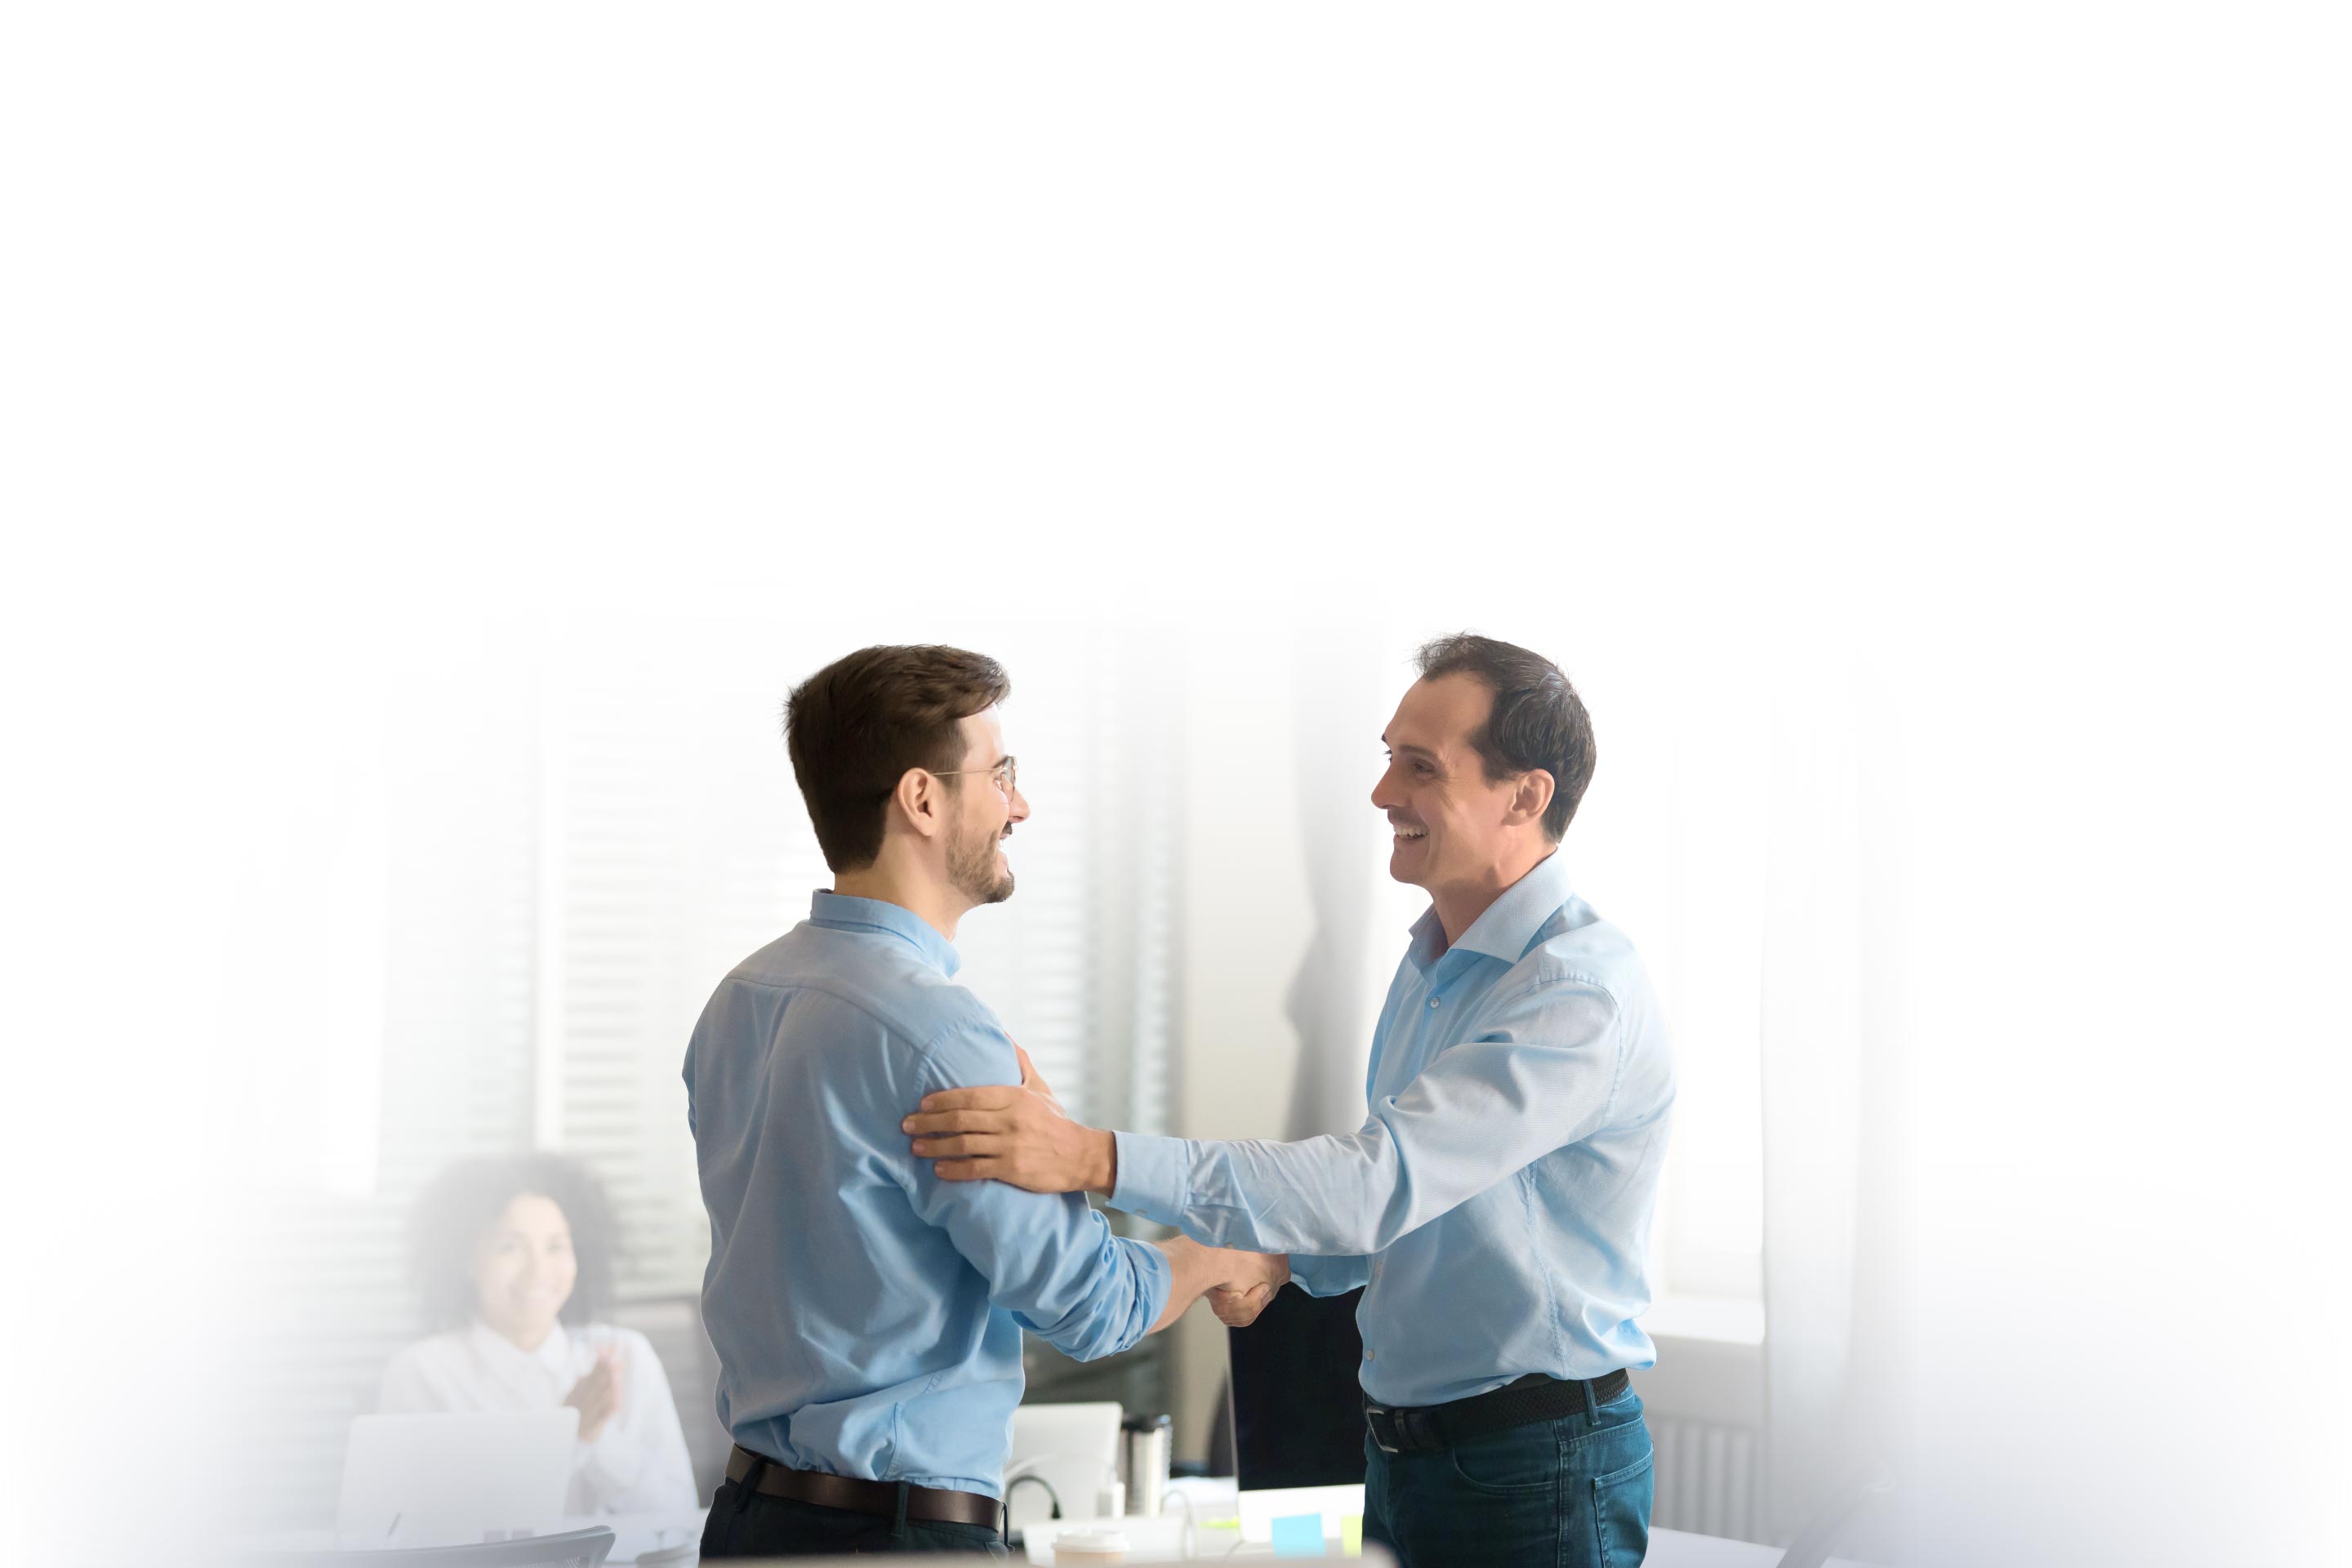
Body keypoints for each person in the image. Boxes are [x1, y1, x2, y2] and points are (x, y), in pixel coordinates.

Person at [904, 634, 1674, 1568]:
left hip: (1531, 1466)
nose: (1384, 793)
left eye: (1420, 768)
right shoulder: (1436, 961)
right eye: (1389, 759)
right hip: (1408, 1453)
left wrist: (1094, 1157)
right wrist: (1272, 1256)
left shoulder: (1573, 992)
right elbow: (1410, 1210)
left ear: (1526, 795)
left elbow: (1374, 1184)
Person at [686, 644, 1283, 1560]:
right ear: (922, 800)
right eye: (1001, 774)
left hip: (747, 1522)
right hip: (891, 1536)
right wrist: (1209, 1257)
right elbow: (1087, 1304)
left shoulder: (740, 999)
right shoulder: (937, 1034)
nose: (1021, 804)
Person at [378, 1154, 697, 1517]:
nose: (538, 1270)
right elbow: (414, 1526)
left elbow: (678, 1515)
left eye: (556, 1247)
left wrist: (598, 1439)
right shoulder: (423, 1372)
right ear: (466, 1259)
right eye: (509, 1247)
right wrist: (567, 1436)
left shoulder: (626, 1355)